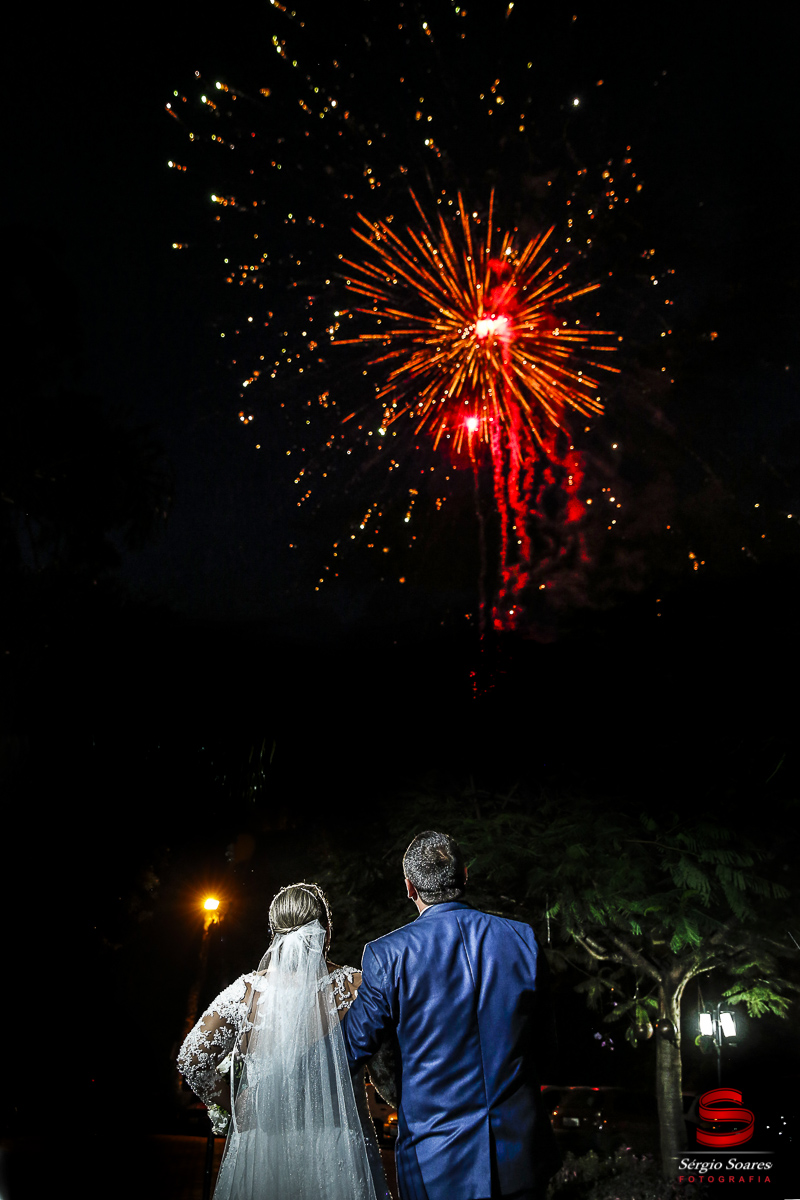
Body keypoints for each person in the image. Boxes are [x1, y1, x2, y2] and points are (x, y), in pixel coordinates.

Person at [342, 831, 560, 1200]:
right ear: (465, 875)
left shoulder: (387, 955)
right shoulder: (522, 939)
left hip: (434, 1158)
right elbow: (548, 1044)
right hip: (519, 1152)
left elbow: (349, 1049)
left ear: (410, 887)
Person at [177, 882, 391, 1200]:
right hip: (337, 1149)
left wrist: (234, 1108)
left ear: (275, 934)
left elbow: (191, 1060)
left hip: (264, 1148)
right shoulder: (355, 988)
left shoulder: (246, 992)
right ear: (326, 932)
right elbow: (385, 1071)